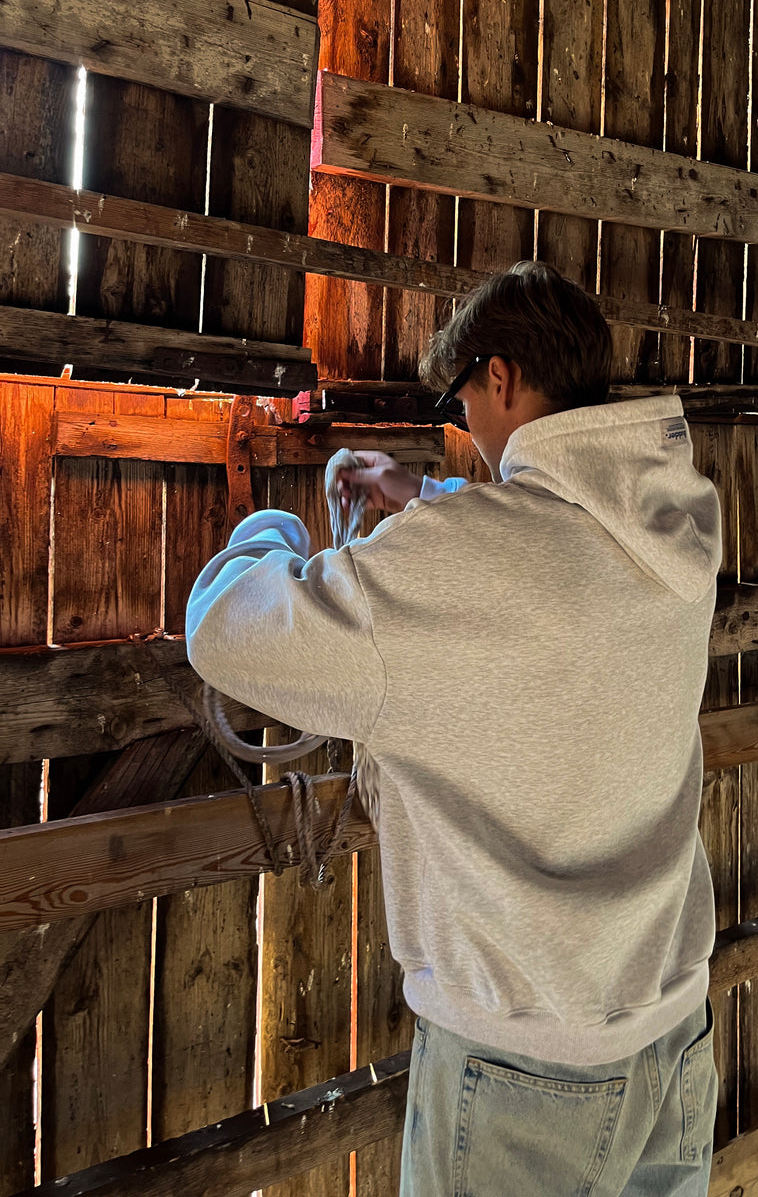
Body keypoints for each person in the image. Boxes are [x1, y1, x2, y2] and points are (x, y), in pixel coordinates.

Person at [186, 260, 723, 1196]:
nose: (463, 422)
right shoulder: (672, 527)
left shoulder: (460, 559)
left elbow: (229, 633)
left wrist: (272, 531)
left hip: (523, 1067)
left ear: (501, 377)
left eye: (459, 396)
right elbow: (551, 563)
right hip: (674, 1034)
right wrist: (425, 499)